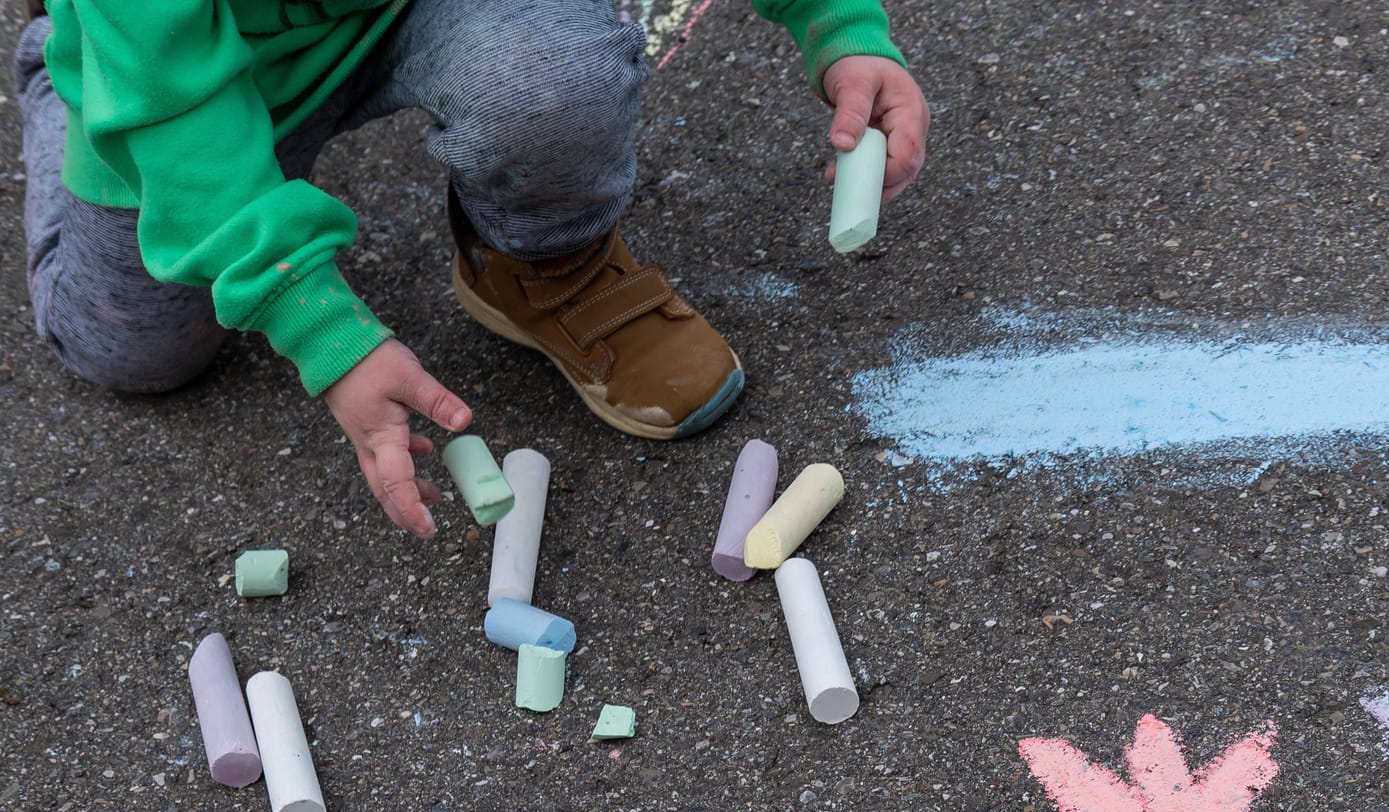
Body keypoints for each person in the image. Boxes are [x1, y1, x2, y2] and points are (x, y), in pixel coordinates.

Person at [14, 0, 930, 538]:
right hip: (173, 81)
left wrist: (839, 25)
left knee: (548, 79)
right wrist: (318, 325)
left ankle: (538, 263)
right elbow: (180, 118)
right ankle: (68, 78)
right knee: (133, 351)